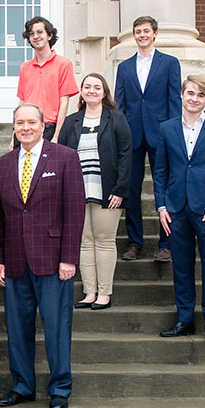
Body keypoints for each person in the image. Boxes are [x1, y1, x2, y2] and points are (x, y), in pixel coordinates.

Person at [0, 104, 85, 408]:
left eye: (32, 121)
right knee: (17, 328)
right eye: (20, 122)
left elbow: (74, 212)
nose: (25, 127)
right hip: (14, 260)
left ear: (43, 125)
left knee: (56, 327)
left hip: (53, 260)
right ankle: (22, 386)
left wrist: (69, 258)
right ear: (14, 127)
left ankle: (59, 388)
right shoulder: (2, 164)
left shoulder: (65, 157)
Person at [154, 75, 205, 342]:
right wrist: (162, 205)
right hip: (176, 207)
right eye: (190, 93)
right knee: (182, 266)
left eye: (200, 95)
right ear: (181, 94)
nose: (194, 99)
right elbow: (160, 171)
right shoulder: (166, 128)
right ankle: (184, 319)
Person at [58, 73, 132, 310]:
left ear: (104, 92)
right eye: (87, 86)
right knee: (83, 242)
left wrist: (120, 189)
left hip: (108, 191)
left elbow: (125, 154)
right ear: (81, 91)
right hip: (77, 191)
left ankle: (104, 293)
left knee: (104, 241)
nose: (91, 90)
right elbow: (61, 156)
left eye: (97, 87)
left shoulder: (116, 118)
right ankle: (89, 292)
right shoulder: (71, 121)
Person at [114, 16, 182, 263]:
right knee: (131, 190)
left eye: (146, 31)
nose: (142, 35)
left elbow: (175, 100)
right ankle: (134, 242)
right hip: (131, 136)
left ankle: (166, 243)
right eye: (137, 31)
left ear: (155, 34)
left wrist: (174, 133)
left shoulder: (170, 63)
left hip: (161, 133)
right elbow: (119, 105)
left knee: (163, 188)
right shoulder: (124, 67)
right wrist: (118, 133)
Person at [15, 16, 78, 147]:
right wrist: (13, 136)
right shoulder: (24, 68)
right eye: (31, 34)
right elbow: (22, 102)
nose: (35, 36)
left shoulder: (63, 64)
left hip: (49, 129)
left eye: (39, 32)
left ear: (49, 35)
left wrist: (57, 135)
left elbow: (64, 102)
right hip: (26, 129)